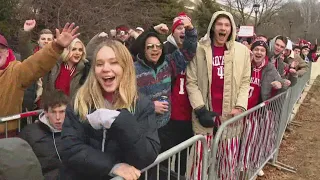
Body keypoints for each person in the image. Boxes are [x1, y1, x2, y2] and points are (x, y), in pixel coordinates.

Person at [59, 40, 160, 180]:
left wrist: (122, 121)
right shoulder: (80, 101)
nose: (106, 68)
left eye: (113, 62)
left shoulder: (142, 105)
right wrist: (112, 166)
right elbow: (70, 148)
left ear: (126, 67)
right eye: (99, 64)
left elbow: (146, 156)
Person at [186, 11, 251, 179]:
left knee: (227, 166)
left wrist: (240, 106)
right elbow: (191, 81)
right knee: (198, 165)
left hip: (230, 117)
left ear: (232, 29)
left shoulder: (242, 52)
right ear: (213, 27)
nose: (223, 28)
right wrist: (200, 109)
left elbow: (245, 82)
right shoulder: (199, 49)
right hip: (205, 117)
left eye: (227, 25)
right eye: (219, 24)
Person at [0, 23, 80, 137]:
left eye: (1, 48)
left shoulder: (15, 71)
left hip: (6, 137)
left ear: (7, 52)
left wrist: (56, 46)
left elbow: (36, 64)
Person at [132, 19, 197, 129]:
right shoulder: (133, 70)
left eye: (158, 46)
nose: (155, 49)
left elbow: (189, 50)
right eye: (150, 46)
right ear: (143, 49)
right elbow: (125, 100)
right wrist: (150, 107)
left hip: (166, 125)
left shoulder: (168, 64)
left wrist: (190, 29)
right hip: (142, 128)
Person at [159, 12, 194, 176]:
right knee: (163, 160)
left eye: (186, 28)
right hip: (167, 117)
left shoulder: (195, 52)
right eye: (179, 27)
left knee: (182, 161)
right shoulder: (163, 49)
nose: (182, 31)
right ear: (173, 31)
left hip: (187, 116)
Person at [19, 90, 69, 180]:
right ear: (46, 113)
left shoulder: (76, 130)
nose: (58, 118)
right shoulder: (29, 133)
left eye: (62, 112)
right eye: (53, 112)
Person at [18, 20, 54, 111]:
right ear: (38, 41)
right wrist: (25, 31)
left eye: (49, 39)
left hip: (48, 104)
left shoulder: (57, 59)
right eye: (43, 39)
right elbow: (24, 46)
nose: (46, 41)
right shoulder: (31, 56)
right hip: (30, 102)